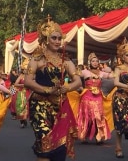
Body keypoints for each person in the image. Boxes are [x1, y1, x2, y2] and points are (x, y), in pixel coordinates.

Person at [23, 17, 82, 161]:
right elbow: (28, 81)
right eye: (54, 38)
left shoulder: (66, 61)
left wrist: (65, 89)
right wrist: (47, 90)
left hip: (60, 107)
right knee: (45, 143)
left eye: (59, 38)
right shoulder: (37, 60)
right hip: (39, 106)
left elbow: (78, 81)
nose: (57, 41)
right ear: (46, 39)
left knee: (59, 146)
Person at [77, 52, 114, 143]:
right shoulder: (84, 72)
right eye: (93, 61)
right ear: (90, 62)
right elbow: (74, 75)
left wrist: (119, 70)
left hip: (98, 97)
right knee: (87, 116)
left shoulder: (101, 73)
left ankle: (99, 137)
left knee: (99, 116)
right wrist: (80, 87)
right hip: (87, 96)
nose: (95, 63)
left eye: (97, 61)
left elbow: (112, 76)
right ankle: (83, 135)